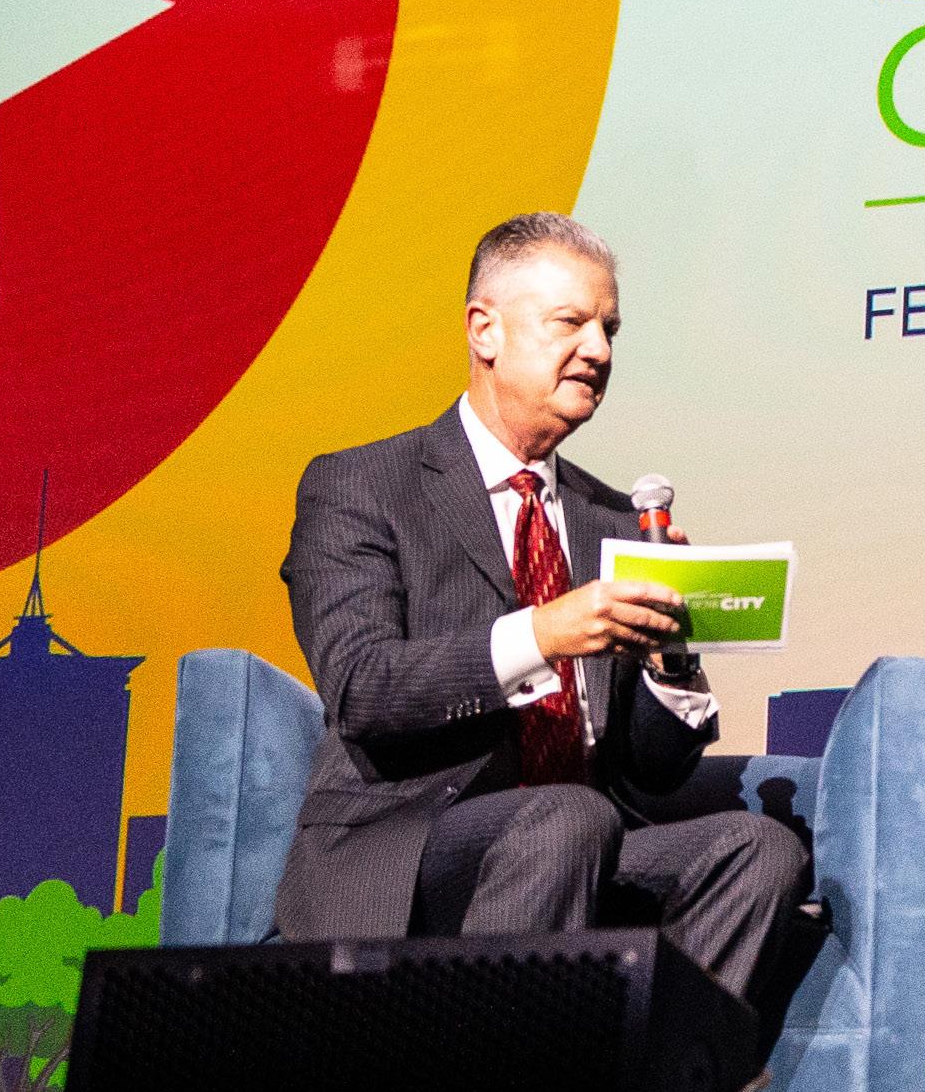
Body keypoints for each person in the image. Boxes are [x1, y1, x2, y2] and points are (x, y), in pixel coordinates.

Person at [273, 211, 808, 1009]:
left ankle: (643, 1067)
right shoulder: (363, 485)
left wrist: (668, 660)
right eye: (571, 323)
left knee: (755, 849)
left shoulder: (612, 520)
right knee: (564, 817)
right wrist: (544, 633)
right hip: (409, 850)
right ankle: (510, 1063)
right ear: (484, 330)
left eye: (609, 330)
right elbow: (362, 687)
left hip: (581, 843)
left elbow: (651, 772)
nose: (599, 351)